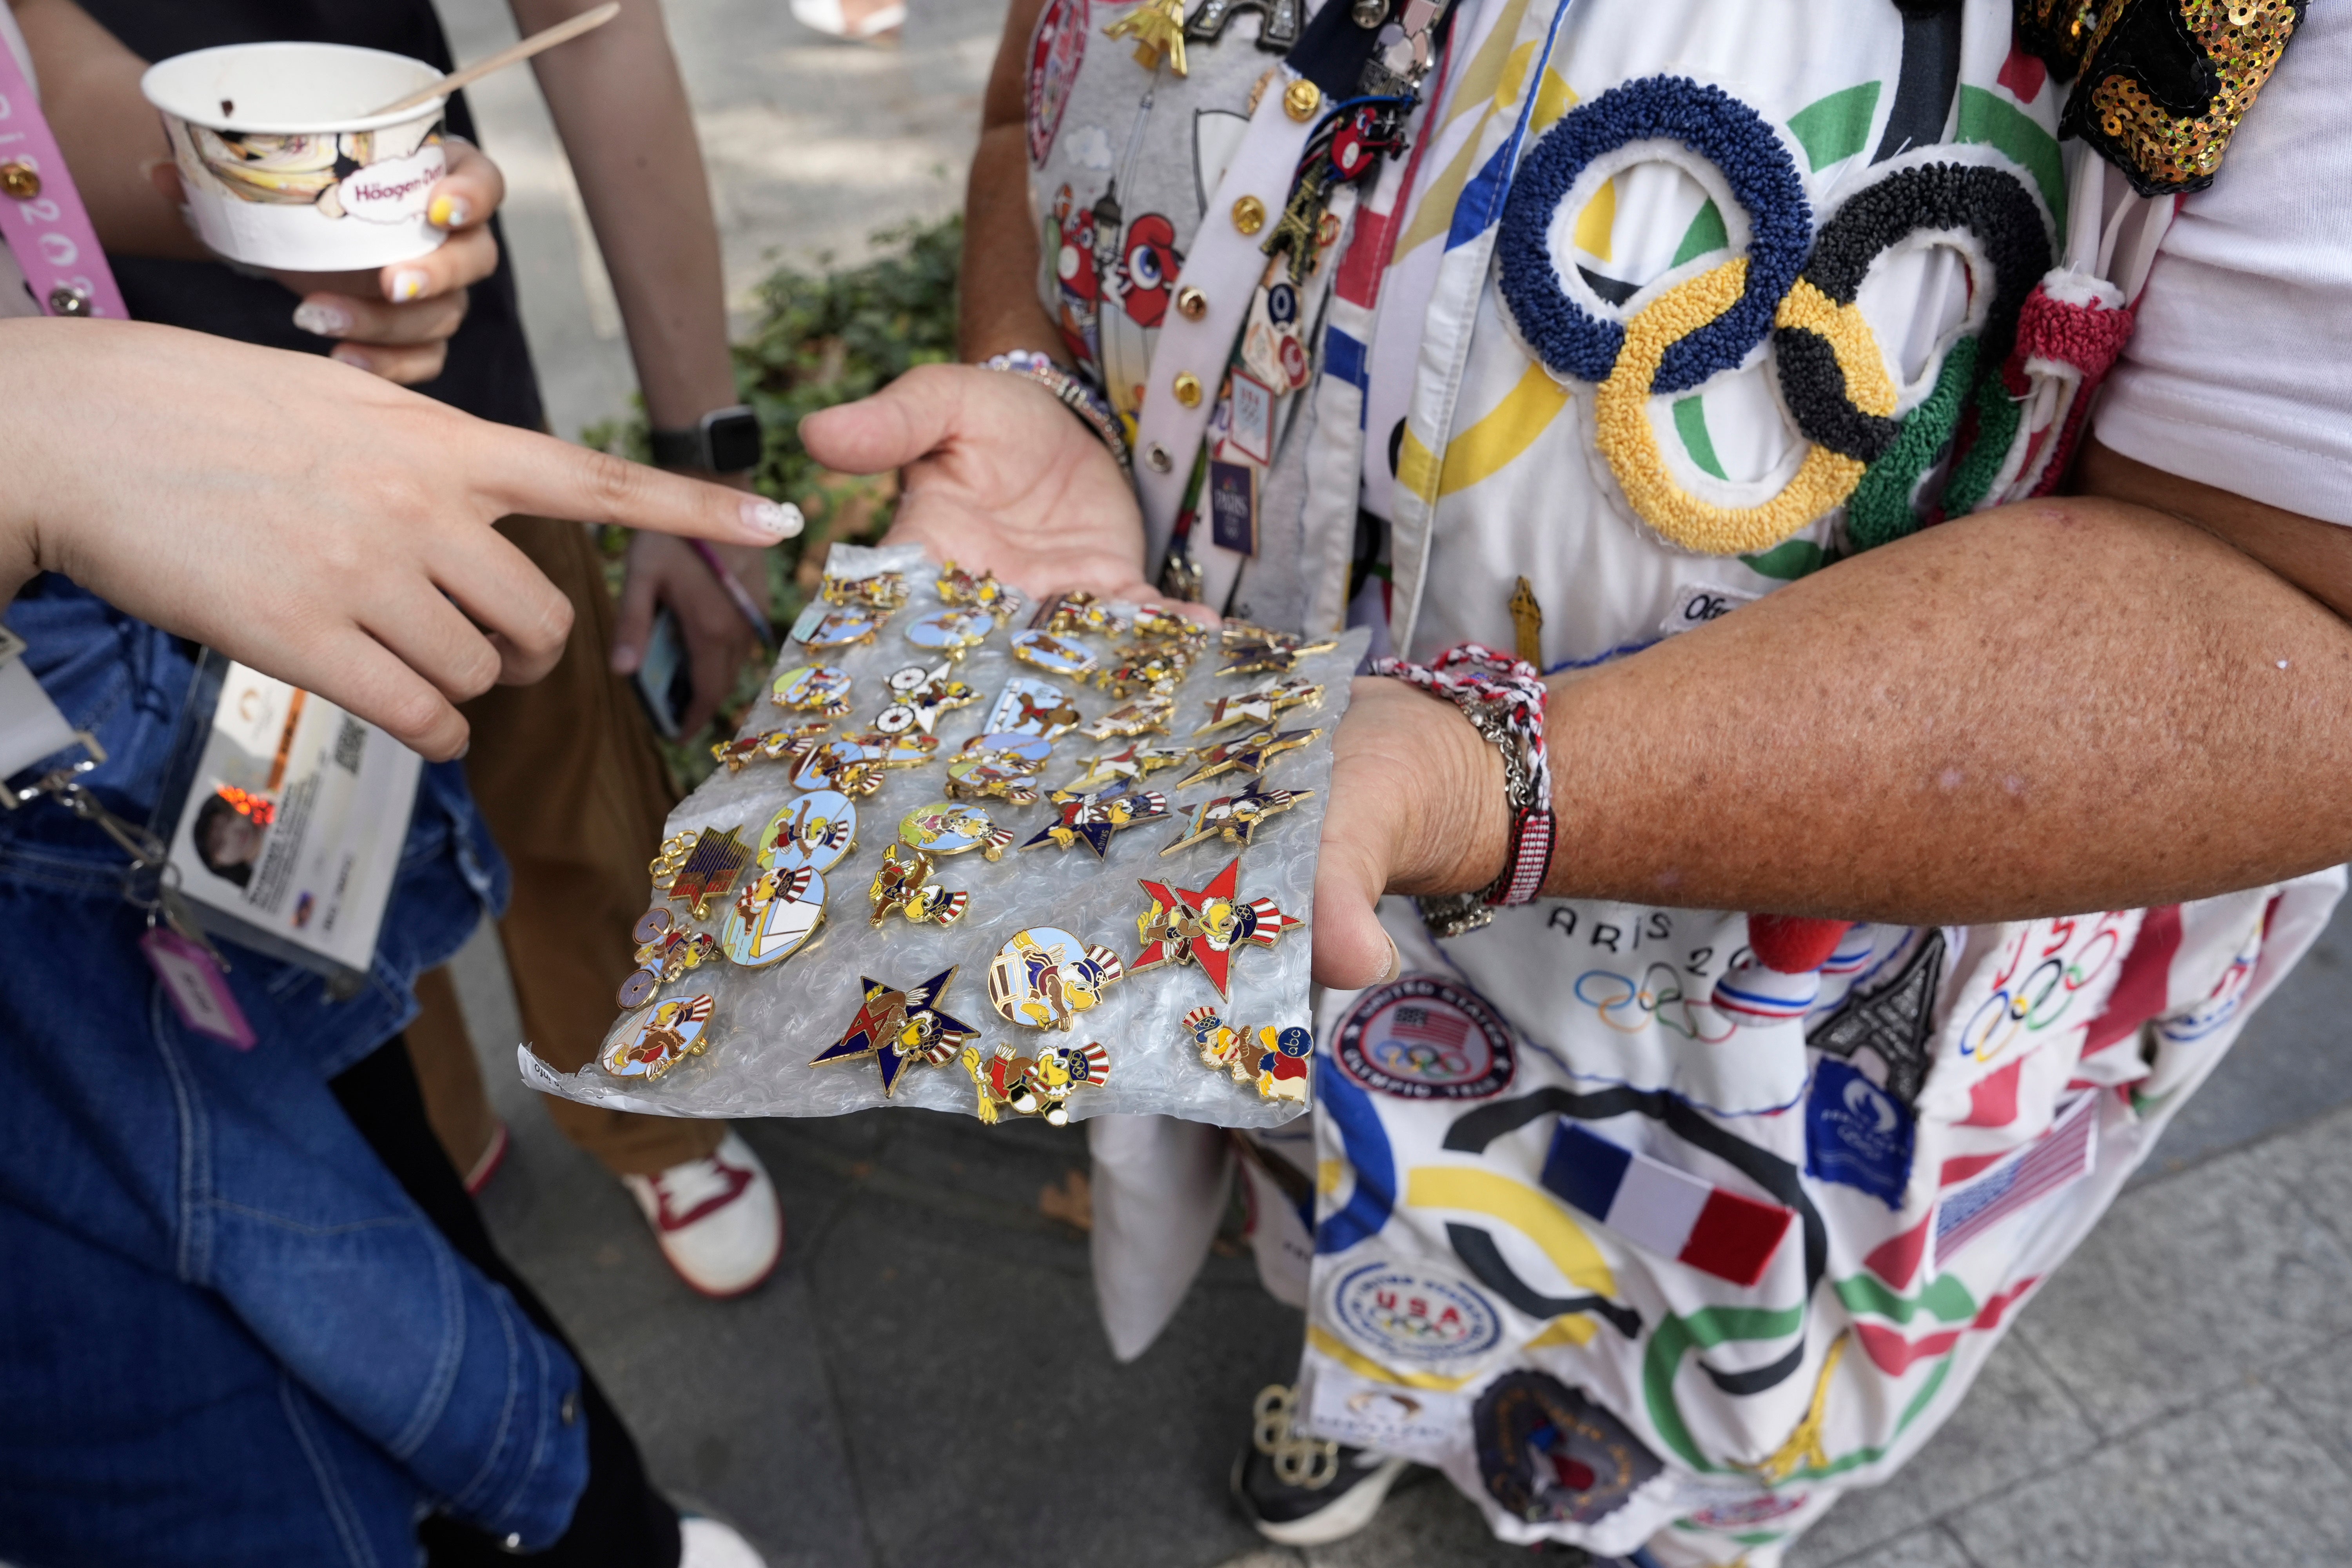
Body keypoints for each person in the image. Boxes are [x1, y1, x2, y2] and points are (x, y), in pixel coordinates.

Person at [801, 0, 2352, 1559]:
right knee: (1323, 1177)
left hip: (1770, 1017)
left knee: (1706, 1348)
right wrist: (1040, 372)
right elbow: (1040, 95)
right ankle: (1377, 1387)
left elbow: (2305, 627)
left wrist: (1487, 775)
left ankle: (1678, 1509)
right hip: (1273, 848)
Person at [0, 10, 785, 1556]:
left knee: (373, 1081)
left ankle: (607, 1460)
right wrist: (35, 435)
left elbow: (44, 93)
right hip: (68, 808)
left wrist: (271, 195)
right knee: (266, 1381)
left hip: (221, 554)